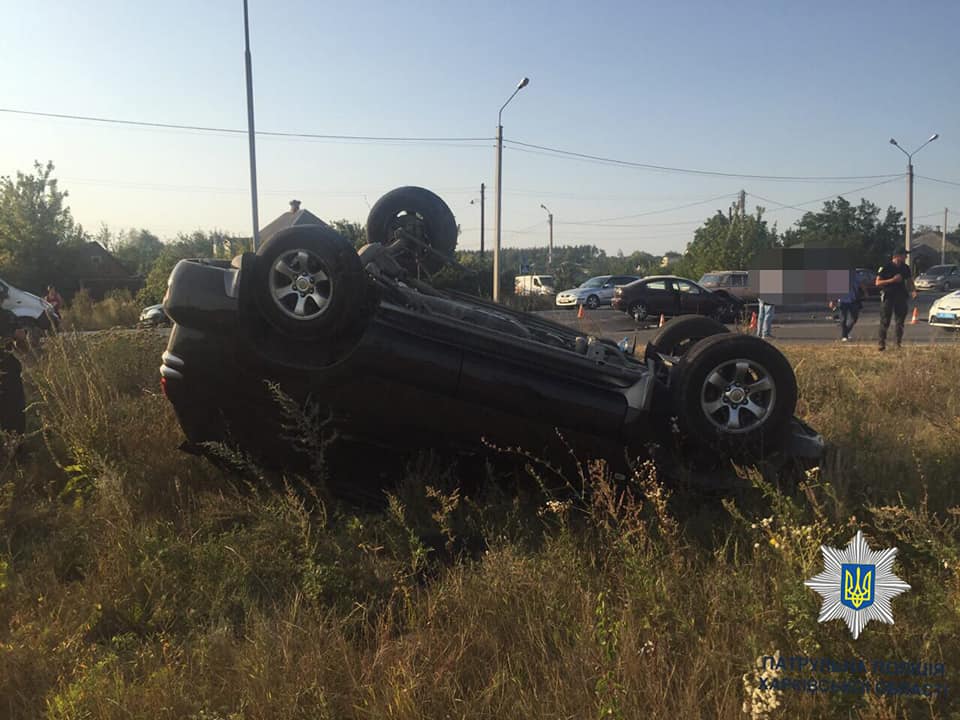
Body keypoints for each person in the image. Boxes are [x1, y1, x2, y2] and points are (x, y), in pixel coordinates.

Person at [876, 248, 917, 351]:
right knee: (885, 320)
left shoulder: (905, 268)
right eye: (904, 255)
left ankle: (897, 343)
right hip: (888, 296)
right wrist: (892, 280)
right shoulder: (886, 267)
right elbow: (877, 283)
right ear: (897, 256)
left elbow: (909, 280)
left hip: (901, 296)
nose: (906, 257)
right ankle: (881, 343)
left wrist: (913, 290)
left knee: (900, 321)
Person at [0, 306, 26, 435]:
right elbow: (22, 343)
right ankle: (14, 444)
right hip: (8, 368)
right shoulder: (8, 316)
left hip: (8, 368)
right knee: (14, 410)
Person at [831, 275, 866, 342]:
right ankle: (844, 335)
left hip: (853, 300)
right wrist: (832, 300)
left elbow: (861, 284)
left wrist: (865, 292)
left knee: (854, 319)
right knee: (843, 319)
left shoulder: (855, 276)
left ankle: (846, 333)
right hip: (842, 300)